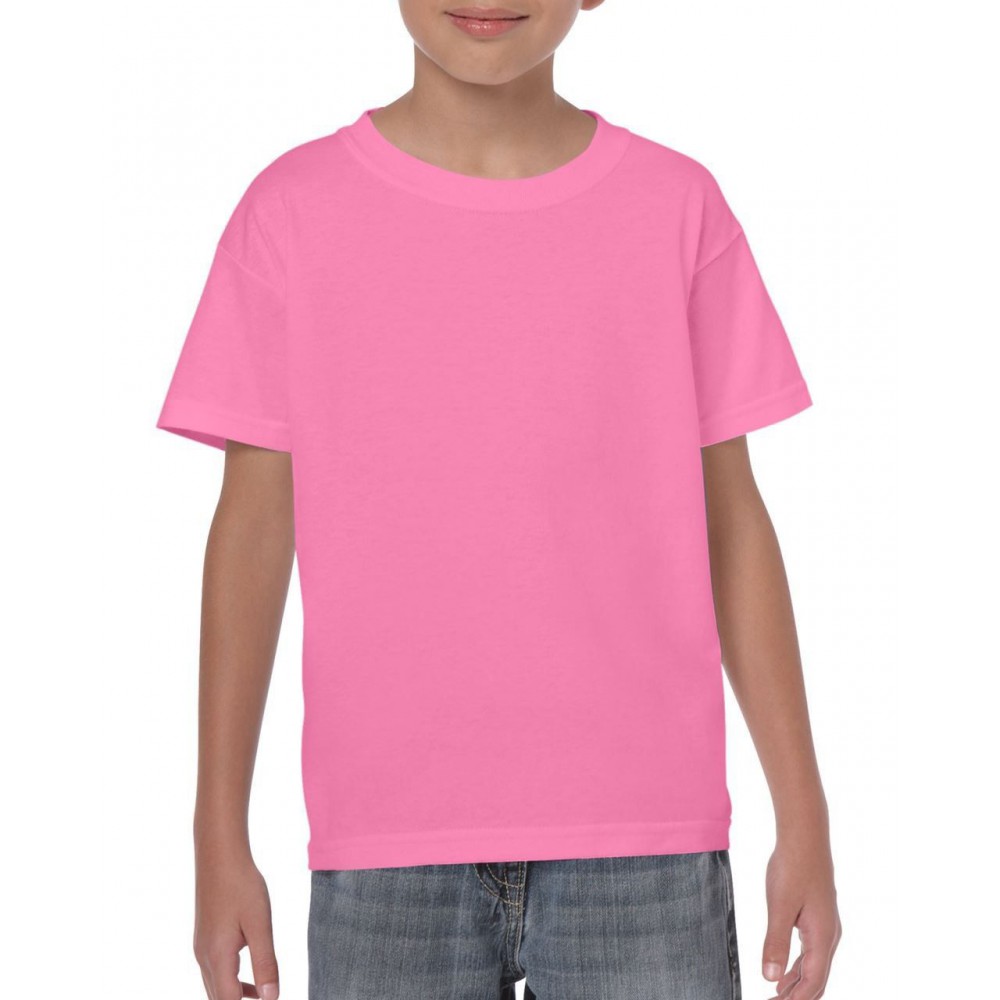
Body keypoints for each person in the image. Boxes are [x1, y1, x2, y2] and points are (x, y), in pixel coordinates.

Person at [155, 2, 842, 998]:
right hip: (384, 841)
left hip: (643, 834)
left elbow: (731, 525)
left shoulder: (674, 206)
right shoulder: (292, 212)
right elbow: (252, 533)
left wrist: (804, 815)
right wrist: (216, 835)